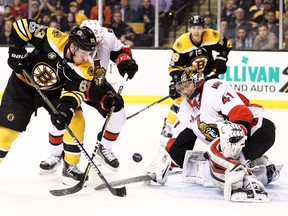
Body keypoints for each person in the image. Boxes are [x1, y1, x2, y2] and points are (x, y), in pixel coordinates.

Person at [0, 18, 113, 185]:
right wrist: (17, 50)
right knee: (5, 135)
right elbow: (22, 26)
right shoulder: (53, 37)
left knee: (76, 119)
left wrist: (65, 110)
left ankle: (71, 167)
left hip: (53, 92)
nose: (86, 57)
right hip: (21, 87)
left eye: (89, 53)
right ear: (73, 46)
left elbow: (75, 92)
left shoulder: (85, 68)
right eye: (84, 52)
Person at [161, 69, 280, 201]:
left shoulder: (212, 87)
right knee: (211, 165)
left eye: (187, 85)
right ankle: (264, 170)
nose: (185, 90)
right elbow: (178, 143)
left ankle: (251, 183)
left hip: (257, 127)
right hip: (232, 142)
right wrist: (165, 161)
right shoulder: (185, 109)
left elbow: (241, 113)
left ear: (197, 80)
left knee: (219, 159)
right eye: (181, 88)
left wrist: (238, 134)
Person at [39, 19, 138, 175]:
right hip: (72, 83)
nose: (95, 47)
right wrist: (103, 98)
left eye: (98, 43)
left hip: (97, 81)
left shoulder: (107, 35)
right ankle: (56, 155)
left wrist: (124, 61)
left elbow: (120, 49)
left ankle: (104, 147)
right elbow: (79, 82)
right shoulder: (74, 45)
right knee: (60, 118)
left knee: (119, 115)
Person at [160, 15, 232, 144]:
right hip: (188, 75)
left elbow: (227, 45)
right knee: (180, 99)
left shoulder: (212, 36)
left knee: (213, 97)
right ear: (189, 29)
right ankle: (168, 125)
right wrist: (176, 82)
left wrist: (222, 58)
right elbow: (174, 67)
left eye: (199, 28)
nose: (196, 31)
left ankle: (219, 126)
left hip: (208, 74)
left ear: (204, 28)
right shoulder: (181, 43)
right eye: (194, 28)